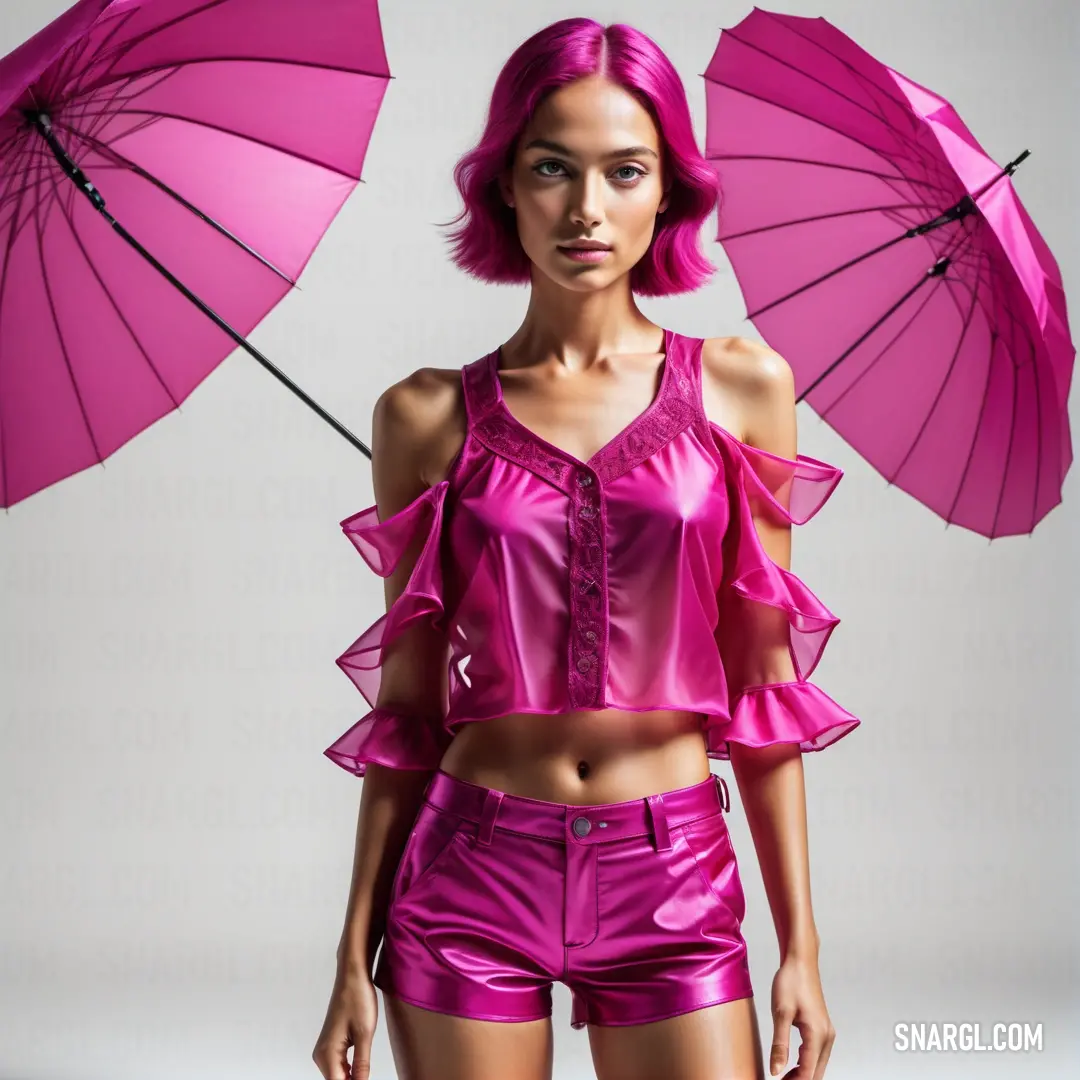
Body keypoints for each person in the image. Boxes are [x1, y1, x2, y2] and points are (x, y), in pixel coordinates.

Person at [312, 17, 859, 1080]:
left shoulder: (745, 387)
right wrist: (347, 950)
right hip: (470, 869)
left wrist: (803, 946)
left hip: (675, 874)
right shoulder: (425, 416)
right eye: (552, 168)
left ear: (671, 192)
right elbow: (408, 709)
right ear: (505, 185)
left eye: (626, 170)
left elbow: (764, 680)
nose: (587, 208)